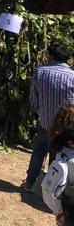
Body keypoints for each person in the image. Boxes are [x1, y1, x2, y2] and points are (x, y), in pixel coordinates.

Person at [25, 45, 74, 192]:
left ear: (51, 56)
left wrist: (38, 111)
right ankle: (51, 187)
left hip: (45, 123)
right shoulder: (73, 76)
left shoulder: (40, 72)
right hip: (65, 126)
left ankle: (30, 183)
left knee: (39, 150)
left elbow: (33, 98)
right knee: (58, 155)